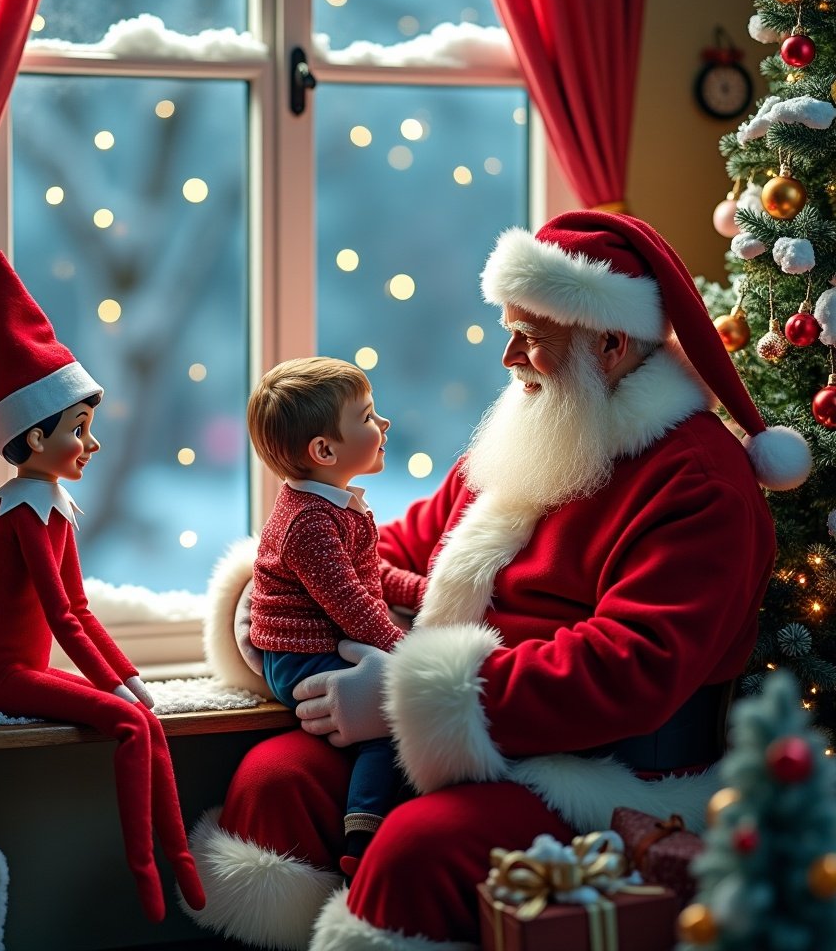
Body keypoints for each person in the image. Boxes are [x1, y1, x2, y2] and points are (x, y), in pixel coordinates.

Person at [184, 211, 812, 950]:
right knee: (274, 782)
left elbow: (629, 667)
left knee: (416, 852)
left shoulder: (698, 484)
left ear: (608, 344)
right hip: (457, 730)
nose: (509, 356)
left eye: (531, 336)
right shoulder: (543, 419)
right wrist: (281, 586)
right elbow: (404, 549)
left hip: (595, 771)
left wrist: (402, 698)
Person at [0, 250, 205, 925]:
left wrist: (124, 674)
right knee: (130, 721)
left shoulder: (52, 504)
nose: (90, 445)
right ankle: (149, 873)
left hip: (23, 663)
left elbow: (82, 608)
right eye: (79, 431)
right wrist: (117, 686)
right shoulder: (21, 512)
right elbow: (62, 615)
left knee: (143, 717)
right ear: (34, 436)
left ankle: (181, 862)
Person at [246, 357, 427, 877]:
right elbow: (351, 601)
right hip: (299, 656)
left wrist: (424, 592)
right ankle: (362, 834)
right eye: (368, 417)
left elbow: (372, 572)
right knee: (385, 727)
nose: (384, 424)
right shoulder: (308, 523)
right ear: (324, 451)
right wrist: (406, 652)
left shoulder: (333, 506)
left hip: (329, 635)